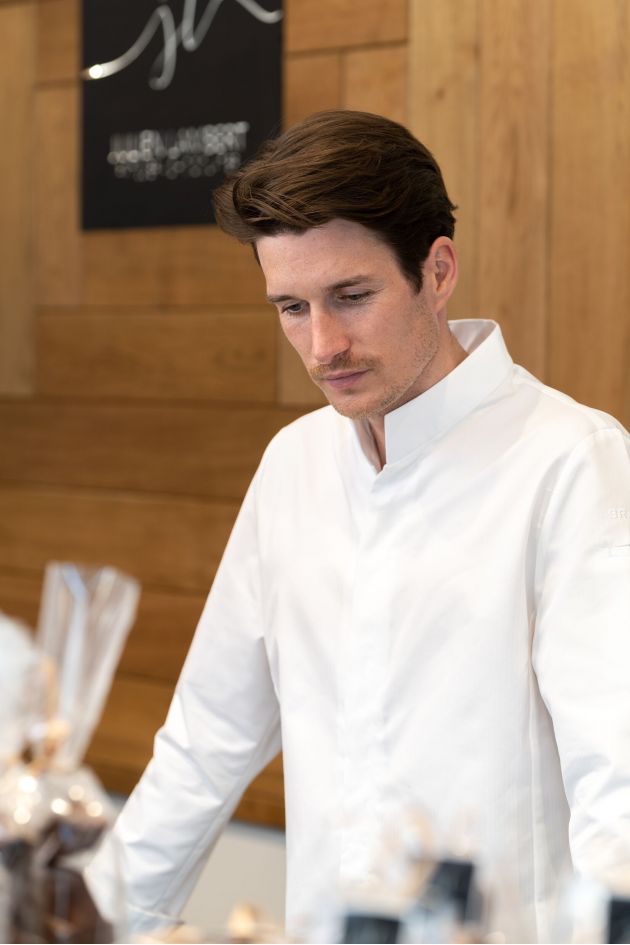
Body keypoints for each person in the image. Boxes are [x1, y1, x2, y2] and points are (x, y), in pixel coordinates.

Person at [86, 111, 630, 941]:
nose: (322, 345)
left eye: (351, 296)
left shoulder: (573, 462)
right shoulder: (293, 463)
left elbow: (619, 788)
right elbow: (207, 741)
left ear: (437, 270)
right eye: (291, 306)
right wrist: (87, 921)